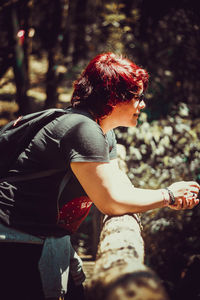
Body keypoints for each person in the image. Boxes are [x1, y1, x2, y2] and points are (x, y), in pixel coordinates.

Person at [0, 52, 199, 300]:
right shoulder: (83, 130)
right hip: (16, 241)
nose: (143, 104)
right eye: (138, 97)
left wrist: (169, 196)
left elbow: (117, 183)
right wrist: (168, 195)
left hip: (41, 237)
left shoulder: (104, 132)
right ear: (113, 98)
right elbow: (111, 202)